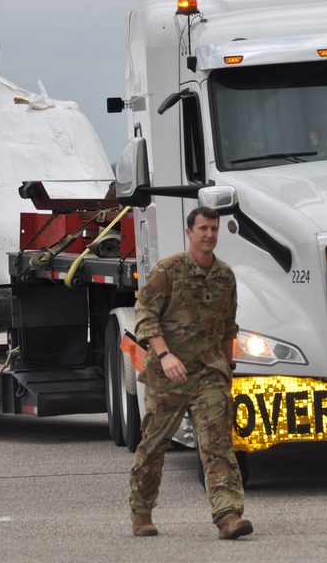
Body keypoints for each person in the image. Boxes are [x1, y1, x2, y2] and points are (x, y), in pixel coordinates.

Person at [128, 206, 252, 539]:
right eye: (203, 229)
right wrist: (165, 354)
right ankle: (141, 513)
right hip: (167, 376)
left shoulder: (225, 276)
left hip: (209, 374)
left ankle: (228, 516)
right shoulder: (168, 271)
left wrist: (228, 369)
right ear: (189, 233)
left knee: (218, 446)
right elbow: (145, 315)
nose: (209, 234)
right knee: (153, 447)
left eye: (214, 228)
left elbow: (228, 327)